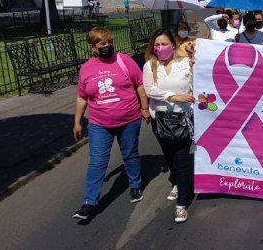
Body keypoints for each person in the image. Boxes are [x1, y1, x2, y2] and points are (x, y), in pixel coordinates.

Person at [72, 27, 150, 220]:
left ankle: (135, 186)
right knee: (97, 162)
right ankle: (89, 203)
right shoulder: (86, 69)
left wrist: (145, 108)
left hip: (129, 120)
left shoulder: (124, 60)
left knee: (130, 154)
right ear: (92, 47)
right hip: (99, 124)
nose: (107, 46)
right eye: (102, 44)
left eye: (109, 43)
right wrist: (77, 122)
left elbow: (139, 84)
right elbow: (82, 97)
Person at [143, 29, 195, 223]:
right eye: (157, 45)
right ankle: (176, 181)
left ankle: (181, 204)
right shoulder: (150, 66)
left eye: (164, 44)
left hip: (183, 118)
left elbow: (199, 82)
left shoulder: (185, 64)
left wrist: (195, 61)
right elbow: (150, 90)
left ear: (173, 45)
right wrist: (173, 97)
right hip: (161, 119)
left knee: (181, 160)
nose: (160, 48)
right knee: (169, 156)